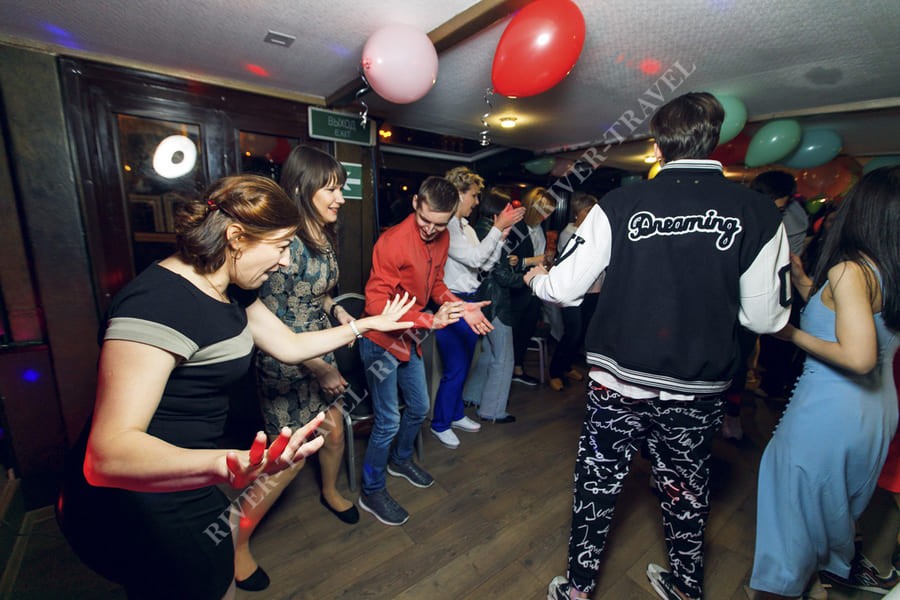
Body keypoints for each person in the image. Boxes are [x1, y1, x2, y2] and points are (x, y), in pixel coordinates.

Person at [55, 174, 414, 600]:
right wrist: (229, 463)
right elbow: (106, 456)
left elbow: (289, 345)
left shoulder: (229, 289)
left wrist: (365, 325)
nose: (285, 262)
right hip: (141, 495)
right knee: (202, 581)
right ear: (236, 237)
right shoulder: (156, 305)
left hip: (187, 477)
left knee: (205, 577)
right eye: (280, 246)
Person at [526, 92, 792, 600]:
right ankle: (687, 587)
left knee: (599, 484)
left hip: (617, 382)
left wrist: (536, 279)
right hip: (697, 387)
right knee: (686, 490)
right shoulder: (758, 211)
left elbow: (562, 288)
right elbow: (765, 318)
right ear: (716, 140)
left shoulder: (619, 204)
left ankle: (578, 589)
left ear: (657, 144)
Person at [748, 165, 900, 600]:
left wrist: (790, 333)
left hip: (830, 412)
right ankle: (813, 583)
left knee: (791, 505)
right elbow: (856, 320)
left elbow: (858, 355)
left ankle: (782, 589)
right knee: (829, 509)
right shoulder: (888, 271)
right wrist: (804, 285)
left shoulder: (851, 270)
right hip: (875, 410)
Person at [230, 147, 355, 592]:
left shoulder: (322, 233)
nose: (341, 198)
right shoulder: (286, 243)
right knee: (286, 463)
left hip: (320, 348)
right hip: (286, 362)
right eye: (332, 189)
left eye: (341, 188)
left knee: (334, 432)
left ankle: (331, 492)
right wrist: (320, 368)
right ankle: (237, 542)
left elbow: (319, 294)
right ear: (303, 188)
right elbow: (270, 317)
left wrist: (338, 312)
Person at [357, 175, 492, 526]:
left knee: (419, 408)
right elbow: (374, 304)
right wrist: (427, 319)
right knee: (388, 420)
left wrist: (459, 306)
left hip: (409, 338)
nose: (431, 230)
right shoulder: (392, 242)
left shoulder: (442, 236)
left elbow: (436, 285)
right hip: (380, 342)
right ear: (415, 203)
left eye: (440, 224)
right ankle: (371, 489)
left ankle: (400, 460)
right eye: (425, 221)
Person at [430, 167, 524, 449]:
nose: (476, 201)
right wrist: (496, 229)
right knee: (455, 369)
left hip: (472, 301)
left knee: (466, 365)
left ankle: (456, 414)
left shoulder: (467, 227)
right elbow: (473, 259)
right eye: (473, 195)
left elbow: (484, 264)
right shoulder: (448, 227)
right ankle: (439, 424)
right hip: (453, 301)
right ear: (459, 194)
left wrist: (501, 237)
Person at [463, 186, 526, 423]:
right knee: (504, 358)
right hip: (496, 302)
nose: (512, 212)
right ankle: (492, 411)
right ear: (498, 211)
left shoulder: (478, 229)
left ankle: (472, 396)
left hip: (481, 300)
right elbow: (501, 276)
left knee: (489, 353)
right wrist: (529, 278)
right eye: (509, 208)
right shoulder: (493, 232)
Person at [547, 192, 601, 392]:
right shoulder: (569, 233)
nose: (594, 215)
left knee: (581, 334)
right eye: (590, 211)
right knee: (572, 332)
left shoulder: (595, 230)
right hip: (574, 292)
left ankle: (567, 366)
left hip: (594, 290)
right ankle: (554, 372)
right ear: (579, 212)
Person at [508, 186, 558, 386]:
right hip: (516, 290)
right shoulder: (516, 228)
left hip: (534, 288)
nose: (546, 216)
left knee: (526, 330)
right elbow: (506, 263)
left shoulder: (540, 228)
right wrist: (534, 260)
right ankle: (507, 371)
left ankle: (518, 368)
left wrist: (547, 261)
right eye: (544, 211)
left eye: (549, 212)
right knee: (513, 333)